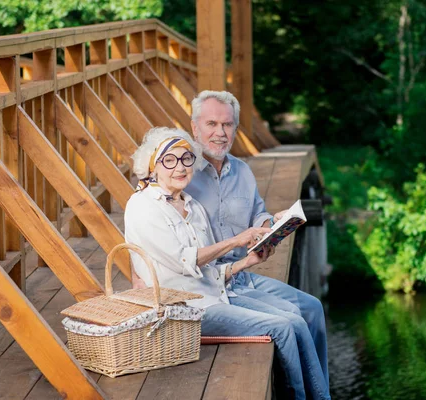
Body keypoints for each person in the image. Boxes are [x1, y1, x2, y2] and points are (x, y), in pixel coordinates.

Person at [125, 127, 330, 400]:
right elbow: (185, 259)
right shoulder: (143, 206)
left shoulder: (192, 206)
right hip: (182, 310)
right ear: (153, 166)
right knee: (282, 327)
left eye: (186, 159)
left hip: (215, 295)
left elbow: (209, 272)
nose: (180, 167)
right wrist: (235, 241)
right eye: (169, 160)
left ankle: (320, 396)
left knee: (295, 319)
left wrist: (247, 261)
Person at [185, 90, 329, 391]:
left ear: (235, 129)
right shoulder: (183, 176)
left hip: (245, 273)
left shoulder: (243, 171)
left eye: (227, 125)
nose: (220, 133)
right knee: (291, 320)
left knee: (313, 308)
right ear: (194, 126)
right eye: (212, 124)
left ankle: (321, 391)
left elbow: (258, 213)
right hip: (213, 282)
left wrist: (270, 225)